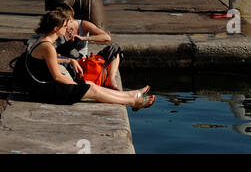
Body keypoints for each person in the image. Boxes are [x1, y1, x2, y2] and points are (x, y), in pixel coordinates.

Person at [13, 7, 154, 109]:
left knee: (91, 85)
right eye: (64, 26)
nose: (66, 29)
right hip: (46, 92)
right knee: (92, 90)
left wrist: (69, 60)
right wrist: (77, 86)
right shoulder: (48, 46)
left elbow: (48, 62)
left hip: (42, 88)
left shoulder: (43, 41)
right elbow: (57, 76)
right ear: (56, 29)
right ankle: (132, 101)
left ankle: (132, 95)